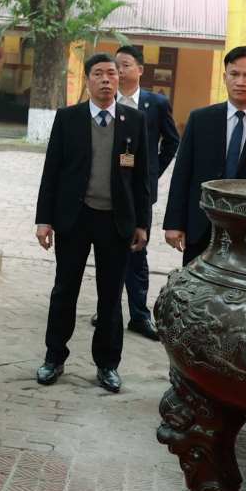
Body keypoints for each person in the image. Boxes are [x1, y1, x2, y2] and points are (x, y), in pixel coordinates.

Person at [33, 53, 150, 393]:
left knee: (110, 297)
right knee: (64, 290)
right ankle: (54, 357)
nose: (105, 80)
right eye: (98, 74)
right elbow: (51, 172)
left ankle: (107, 364)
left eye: (111, 74)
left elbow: (142, 177)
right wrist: (44, 220)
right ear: (87, 80)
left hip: (116, 221)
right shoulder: (68, 118)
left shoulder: (134, 120)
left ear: (120, 79)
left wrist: (142, 223)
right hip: (75, 217)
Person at [164, 45, 246, 264]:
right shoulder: (200, 119)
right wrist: (174, 223)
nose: (240, 81)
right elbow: (182, 174)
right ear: (224, 77)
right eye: (234, 74)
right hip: (201, 225)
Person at [102, 45, 180, 341]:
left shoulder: (155, 104)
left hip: (139, 194)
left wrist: (151, 173)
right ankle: (106, 309)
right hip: (107, 189)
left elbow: (171, 142)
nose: (118, 71)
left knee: (137, 251)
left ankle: (139, 315)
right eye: (115, 66)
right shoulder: (105, 101)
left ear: (140, 70)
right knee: (108, 250)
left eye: (124, 65)